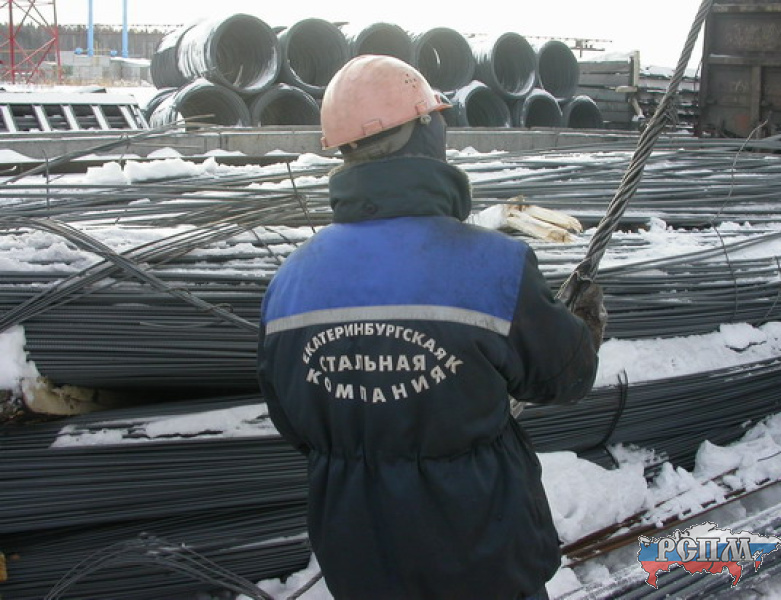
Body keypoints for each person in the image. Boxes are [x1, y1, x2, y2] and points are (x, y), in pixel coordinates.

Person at [257, 54, 606, 600]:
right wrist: (581, 326)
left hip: (360, 564)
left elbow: (293, 424)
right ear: (425, 132)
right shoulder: (494, 265)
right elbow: (566, 378)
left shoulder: (289, 283)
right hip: (484, 558)